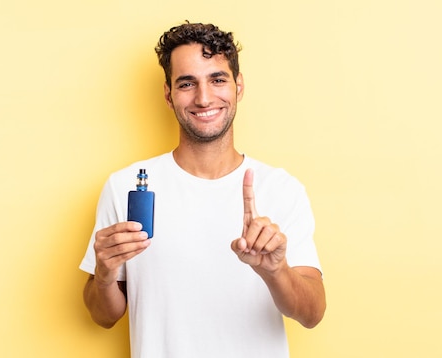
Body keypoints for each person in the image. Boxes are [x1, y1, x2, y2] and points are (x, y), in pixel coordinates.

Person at [80, 22, 326, 358]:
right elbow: (103, 316)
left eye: (217, 79)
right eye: (187, 83)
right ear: (168, 94)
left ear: (238, 86)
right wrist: (105, 275)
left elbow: (312, 314)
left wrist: (275, 271)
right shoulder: (125, 187)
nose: (204, 97)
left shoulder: (282, 189)